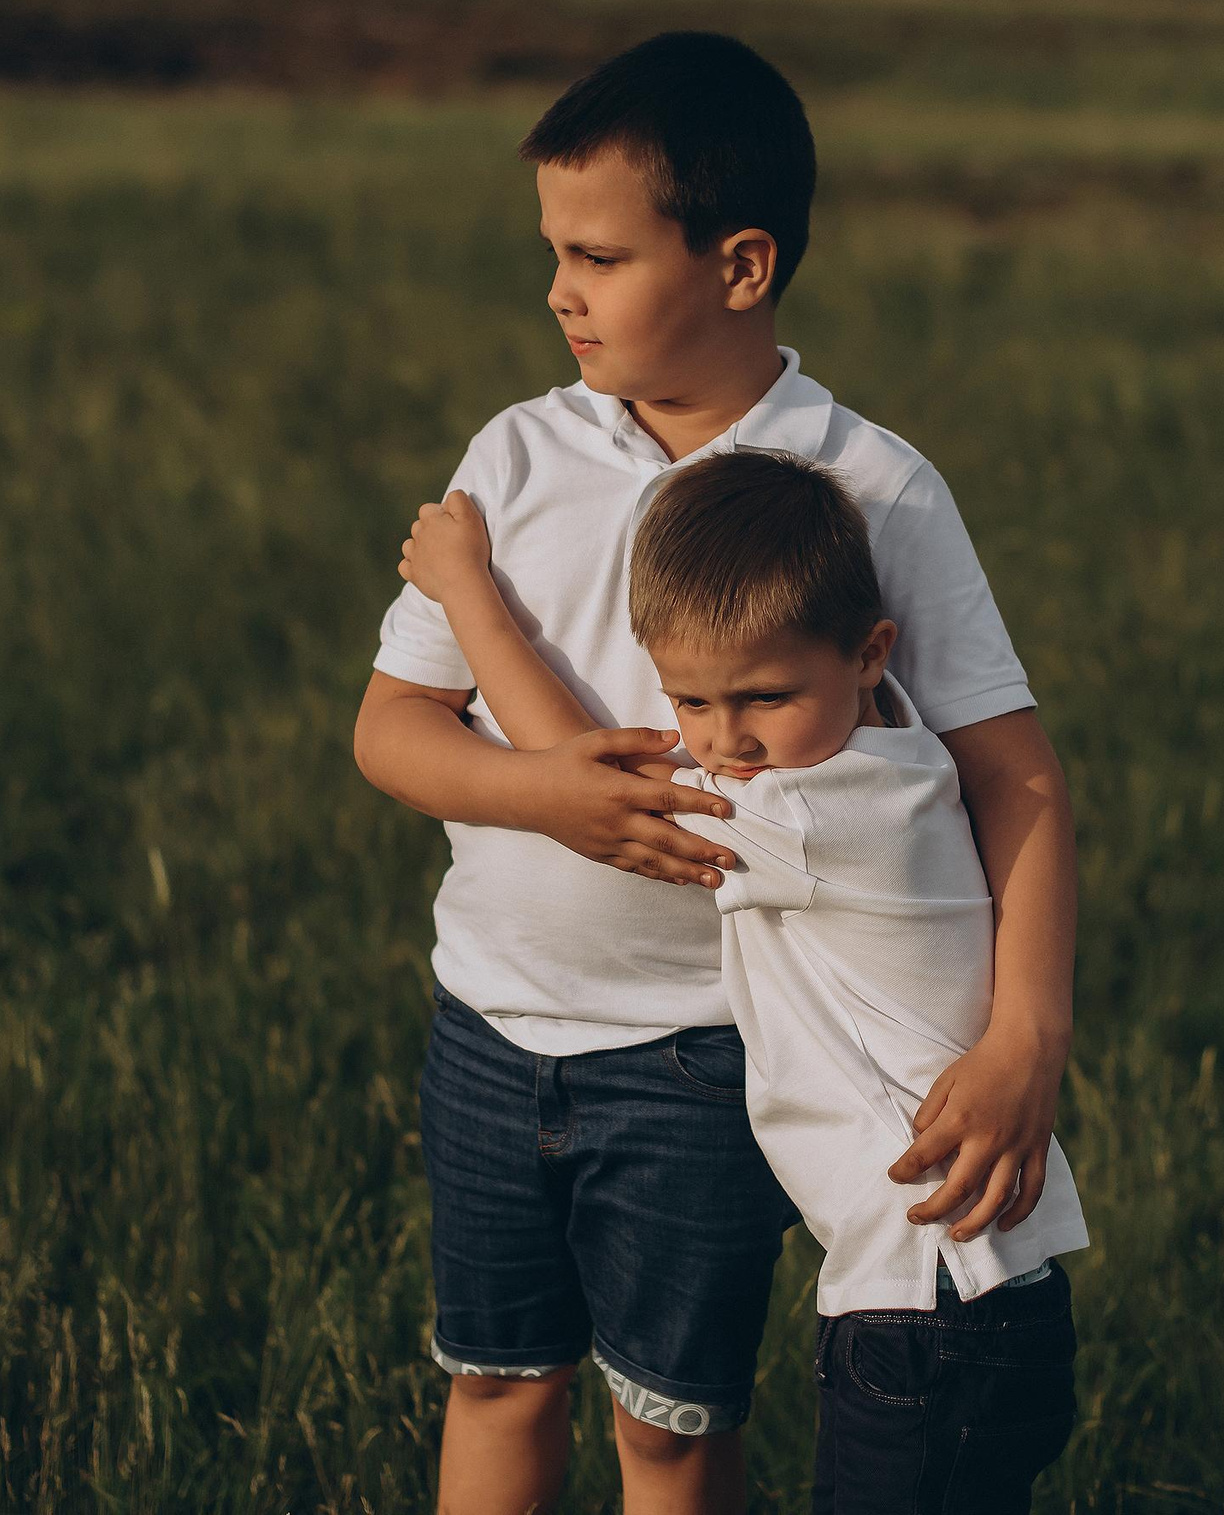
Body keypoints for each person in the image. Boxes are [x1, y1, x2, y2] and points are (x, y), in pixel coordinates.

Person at [351, 30, 1080, 1515]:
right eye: (552, 250)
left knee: (671, 1425)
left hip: (697, 1053)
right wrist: (540, 794)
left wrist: (1024, 1044)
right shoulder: (513, 455)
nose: (559, 289)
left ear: (741, 266)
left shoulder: (870, 487)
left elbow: (1020, 781)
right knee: (495, 1382)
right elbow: (392, 729)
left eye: (601, 257)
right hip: (489, 1021)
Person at [399, 448, 1088, 1513]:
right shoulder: (890, 747)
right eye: (690, 701)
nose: (725, 741)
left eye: (763, 695)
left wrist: (467, 592)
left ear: (871, 650)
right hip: (977, 1289)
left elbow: (589, 775)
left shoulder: (805, 811)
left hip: (927, 1299)